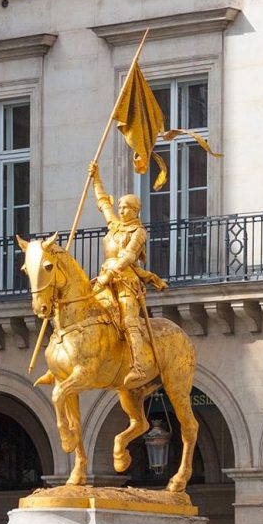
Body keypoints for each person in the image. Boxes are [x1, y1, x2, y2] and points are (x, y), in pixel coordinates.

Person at [88, 160, 167, 389]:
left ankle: (138, 365)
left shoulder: (139, 231)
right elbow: (103, 203)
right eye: (120, 207)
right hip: (106, 277)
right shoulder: (114, 226)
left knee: (129, 320)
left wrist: (109, 274)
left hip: (125, 280)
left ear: (135, 211)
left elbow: (129, 256)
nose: (121, 210)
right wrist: (96, 178)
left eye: (126, 208)